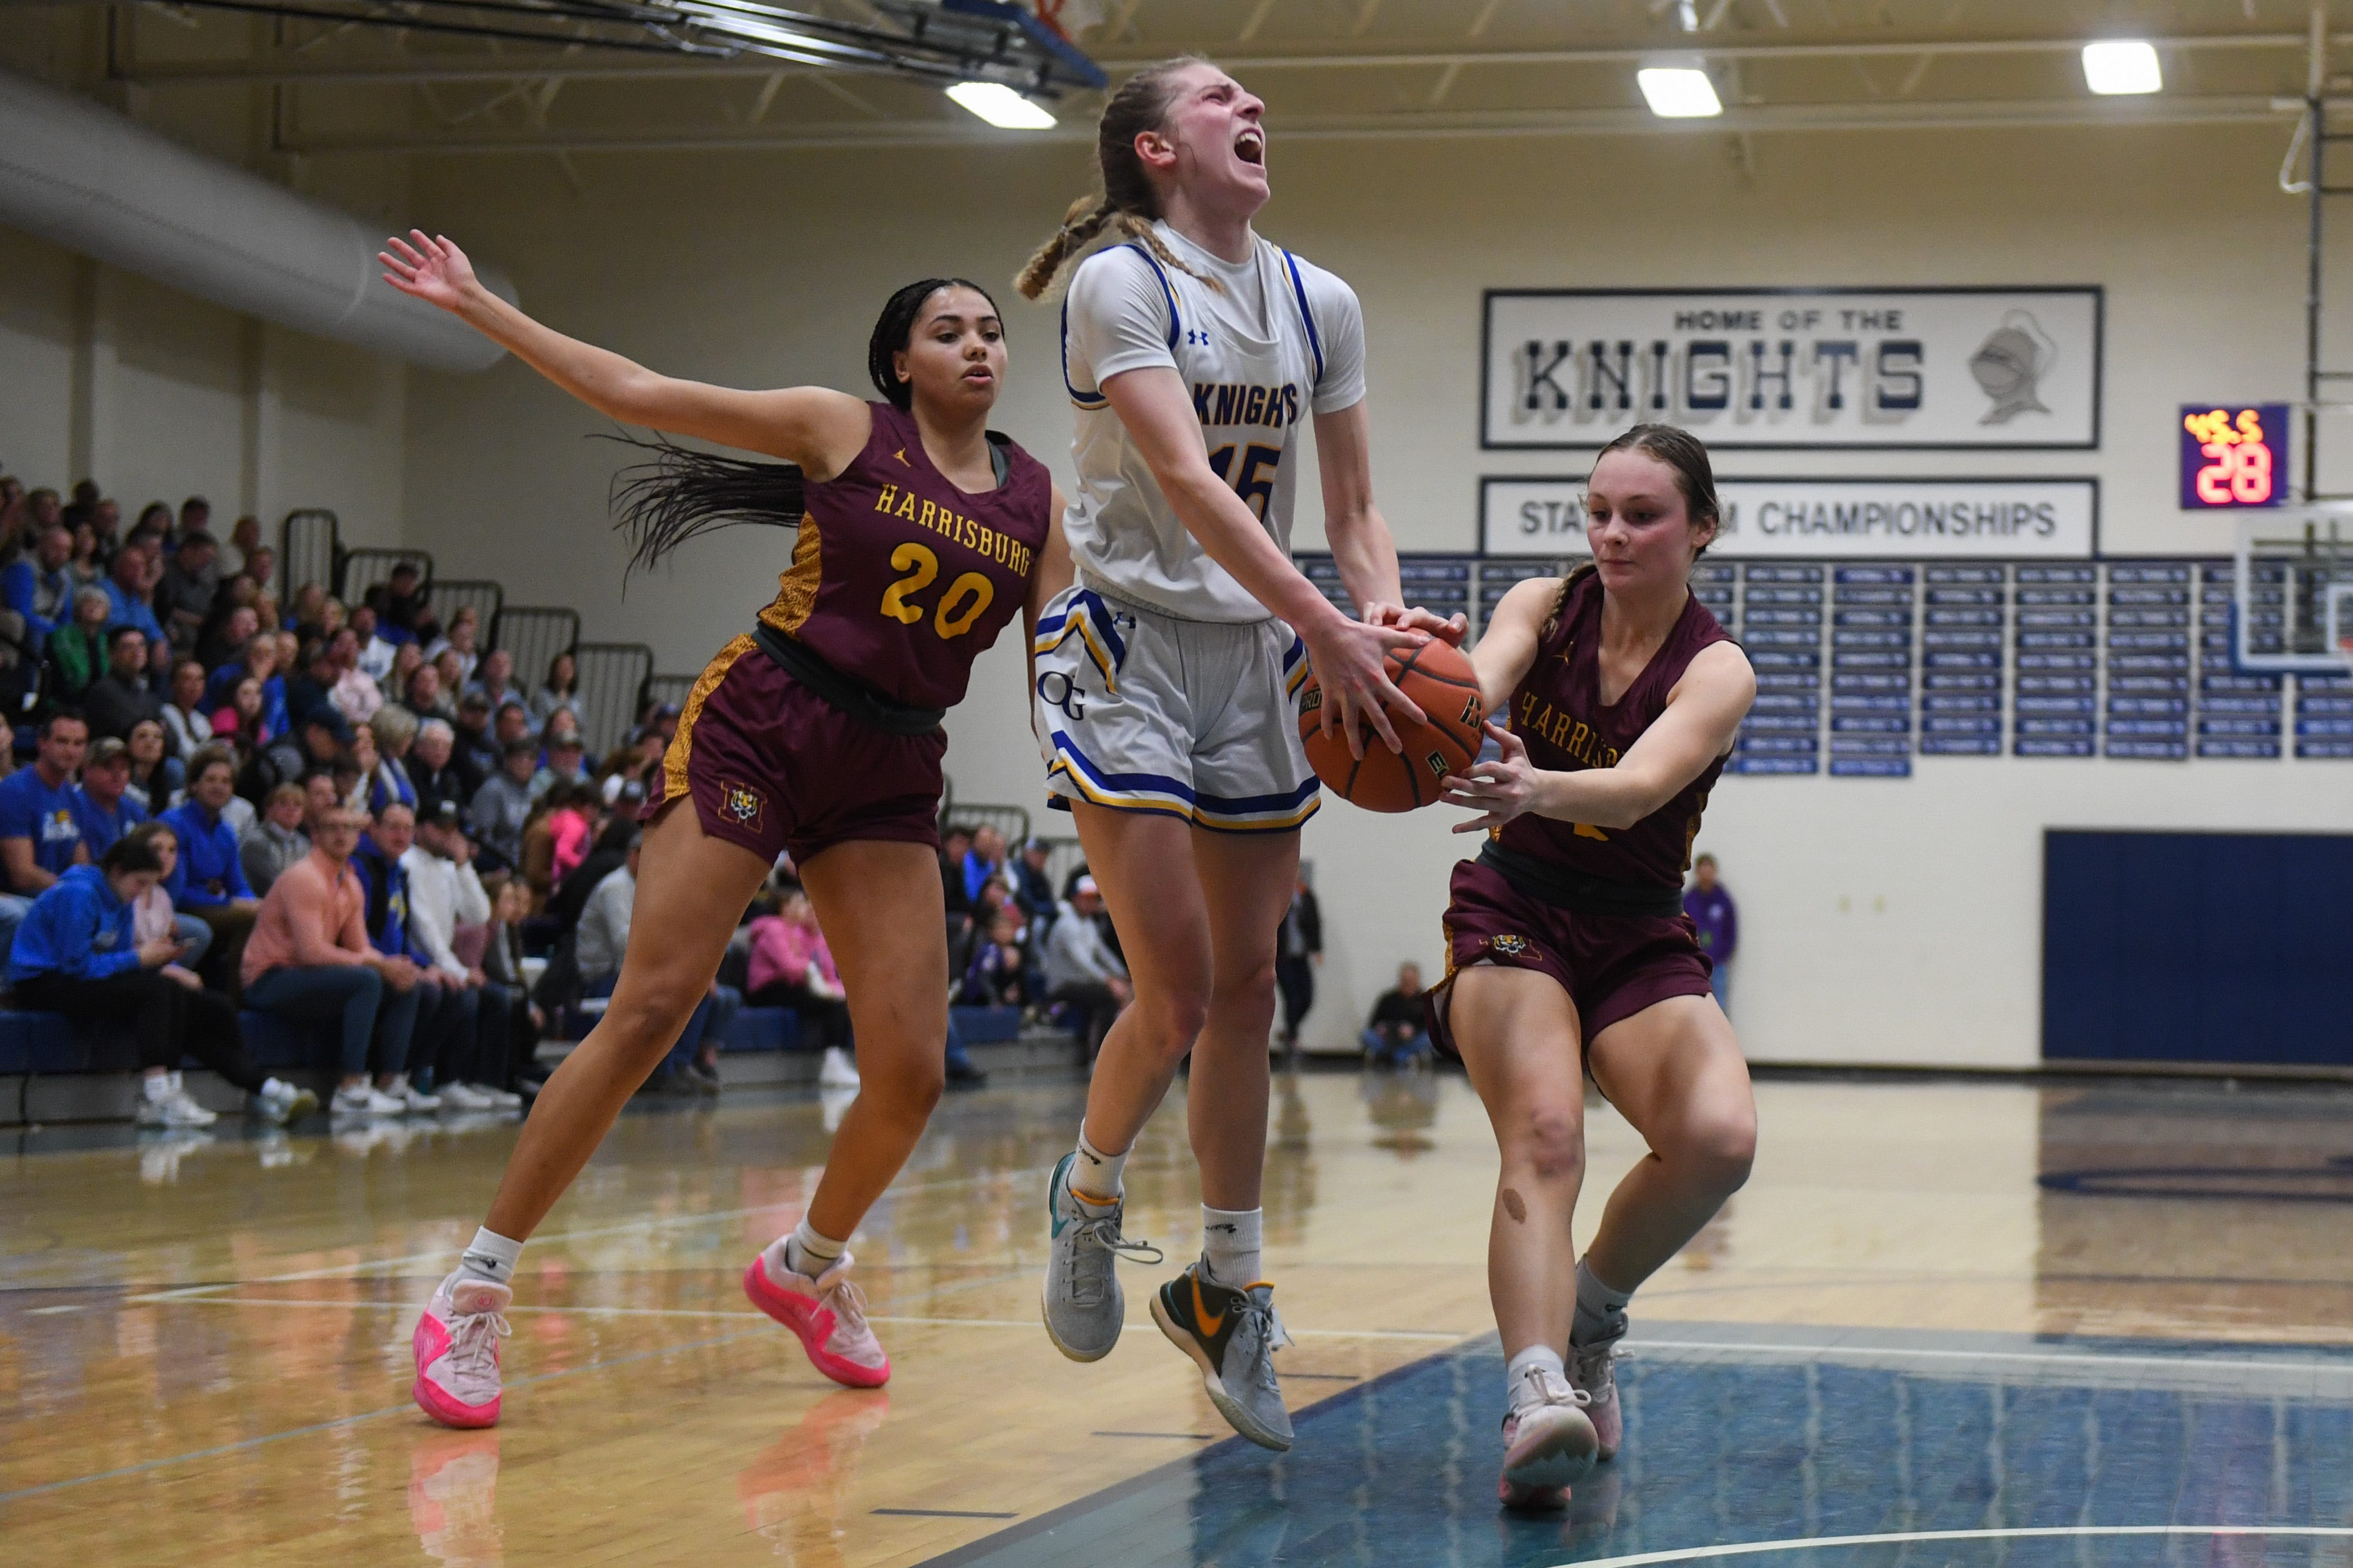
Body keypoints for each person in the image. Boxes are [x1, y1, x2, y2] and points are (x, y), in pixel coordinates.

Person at [380, 230, 1066, 1429]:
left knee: (906, 1074)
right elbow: (636, 390)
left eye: (989, 329)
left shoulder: (1031, 494)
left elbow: (1054, 665)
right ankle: (474, 1287)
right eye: (947, 330)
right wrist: (481, 307)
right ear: (899, 362)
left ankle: (803, 1267)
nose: (977, 345)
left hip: (893, 763)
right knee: (653, 1005)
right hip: (767, 716)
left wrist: (1101, 784)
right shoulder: (842, 429)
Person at [1017, 57, 1454, 1450]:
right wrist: (1325, 625)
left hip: (1262, 652)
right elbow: (1193, 486)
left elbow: (1358, 501)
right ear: (1157, 146)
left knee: (1254, 986)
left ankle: (1227, 1279)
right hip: (1129, 643)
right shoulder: (1122, 284)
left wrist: (1376, 617)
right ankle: (1087, 1191)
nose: (1250, 102)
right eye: (1218, 96)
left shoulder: (1319, 299)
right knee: (1183, 985)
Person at [1429, 424, 1758, 1509]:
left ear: (1700, 529)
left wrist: (1536, 787)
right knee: (1547, 1130)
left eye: (1642, 515)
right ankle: (1534, 1392)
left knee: (1717, 1140)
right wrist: (1436, 700)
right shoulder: (1543, 603)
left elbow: (1635, 788)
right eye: (1599, 512)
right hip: (1516, 903)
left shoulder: (1716, 669)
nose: (1612, 534)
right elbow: (1483, 679)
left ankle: (1589, 1319)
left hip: (1632, 924)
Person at [8, 834, 315, 1127]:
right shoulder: (79, 895)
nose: (141, 892)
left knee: (211, 1005)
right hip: (43, 983)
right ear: (117, 872)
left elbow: (118, 959)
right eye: (139, 883)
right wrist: (141, 960)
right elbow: (74, 965)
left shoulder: (121, 900)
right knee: (158, 992)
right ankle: (158, 1095)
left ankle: (263, 1089)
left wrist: (159, 963)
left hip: (83, 979)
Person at [243, 803, 427, 1115]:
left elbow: (359, 948)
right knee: (367, 980)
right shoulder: (305, 878)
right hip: (270, 979)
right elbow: (311, 952)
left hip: (308, 977)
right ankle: (351, 1088)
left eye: (349, 828)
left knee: (405, 983)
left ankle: (390, 1082)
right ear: (315, 835)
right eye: (332, 828)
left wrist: (393, 966)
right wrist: (378, 966)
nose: (342, 835)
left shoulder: (350, 882)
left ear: (359, 836)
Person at [572, 832, 737, 1093]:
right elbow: (624, 943)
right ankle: (659, 1071)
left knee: (700, 990)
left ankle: (680, 1065)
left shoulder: (656, 885)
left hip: (638, 970)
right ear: (634, 855)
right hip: (605, 974)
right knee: (672, 992)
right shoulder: (615, 888)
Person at [405, 799, 518, 1110]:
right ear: (421, 829)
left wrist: (464, 865)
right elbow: (423, 926)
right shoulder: (408, 864)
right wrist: (458, 970)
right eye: (440, 828)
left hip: (445, 961)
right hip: (420, 959)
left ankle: (484, 1080)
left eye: (453, 829)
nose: (448, 836)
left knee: (499, 999)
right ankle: (440, 1079)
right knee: (464, 997)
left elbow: (479, 914)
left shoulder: (448, 867)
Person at [158, 746, 261, 985]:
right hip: (177, 906)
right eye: (211, 780)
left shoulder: (226, 833)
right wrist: (225, 902)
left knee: (263, 911)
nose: (220, 787)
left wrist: (247, 902)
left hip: (211, 903)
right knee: (255, 914)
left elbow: (239, 885)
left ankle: (238, 993)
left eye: (226, 781)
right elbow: (177, 892)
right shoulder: (175, 823)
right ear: (194, 785)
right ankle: (239, 998)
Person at [746, 886, 856, 1088]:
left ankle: (837, 1059)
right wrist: (814, 976)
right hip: (767, 988)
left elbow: (825, 974)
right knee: (830, 1005)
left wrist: (836, 990)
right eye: (799, 903)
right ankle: (833, 1063)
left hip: (794, 985)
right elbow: (790, 968)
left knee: (838, 1002)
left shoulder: (801, 933)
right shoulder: (774, 928)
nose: (803, 908)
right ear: (784, 908)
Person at [0, 710, 90, 956]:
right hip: (16, 896)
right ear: (42, 743)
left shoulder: (74, 798)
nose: (70, 751)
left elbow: (81, 864)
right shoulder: (15, 791)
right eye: (62, 741)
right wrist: (72, 891)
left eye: (78, 743)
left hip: (51, 895)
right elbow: (21, 875)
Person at [1042, 876, 1130, 1062]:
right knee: (1107, 997)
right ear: (1075, 898)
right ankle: (1100, 1055)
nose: (1090, 903)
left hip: (1082, 982)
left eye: (1094, 899)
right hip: (1063, 984)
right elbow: (1083, 961)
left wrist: (1124, 974)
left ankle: (1088, 1051)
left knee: (1101, 994)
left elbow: (1102, 953)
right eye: (1086, 898)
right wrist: (1109, 981)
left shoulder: (1088, 924)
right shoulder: (1067, 925)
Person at [469, 738, 537, 872]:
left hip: (527, 863)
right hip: (497, 864)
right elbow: (482, 837)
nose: (524, 763)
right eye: (519, 758)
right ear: (508, 760)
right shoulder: (492, 789)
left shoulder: (537, 791)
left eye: (530, 759)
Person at [1683, 853, 1738, 1019]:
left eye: (1709, 869)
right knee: (1695, 1005)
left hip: (1718, 963)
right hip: (1695, 964)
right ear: (1697, 872)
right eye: (1702, 869)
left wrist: (1723, 953)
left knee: (1719, 1004)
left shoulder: (1724, 900)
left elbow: (1731, 931)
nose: (1706, 873)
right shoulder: (1688, 900)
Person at [3, 525, 75, 643]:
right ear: (41, 545)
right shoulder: (22, 568)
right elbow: (22, 613)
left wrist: (64, 634)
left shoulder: (65, 577)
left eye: (67, 550)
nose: (61, 554)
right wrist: (56, 632)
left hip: (51, 629)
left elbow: (66, 615)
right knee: (37, 636)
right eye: (56, 547)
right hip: (25, 631)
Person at [1275, 871, 1321, 1051]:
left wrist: (1317, 949)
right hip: (1283, 957)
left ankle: (1289, 1031)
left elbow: (1315, 923)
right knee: (1292, 998)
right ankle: (1292, 1036)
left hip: (1301, 956)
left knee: (1307, 998)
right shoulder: (1279, 895)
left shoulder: (1307, 896)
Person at [46, 585, 114, 703]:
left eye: (99, 603)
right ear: (78, 608)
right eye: (88, 602)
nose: (93, 607)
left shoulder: (106, 642)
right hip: (66, 699)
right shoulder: (61, 637)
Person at [242, 780, 311, 896]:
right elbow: (272, 886)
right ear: (269, 808)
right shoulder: (255, 843)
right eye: (284, 803)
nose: (291, 809)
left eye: (297, 804)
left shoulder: (305, 844)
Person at [1361, 961, 1431, 1066]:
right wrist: (1382, 1028)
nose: (1407, 985)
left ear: (1417, 981)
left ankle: (1394, 1056)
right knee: (1366, 1035)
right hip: (1388, 1039)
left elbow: (1430, 1026)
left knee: (1429, 1039)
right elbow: (1373, 1022)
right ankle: (1400, 1055)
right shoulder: (1387, 998)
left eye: (1411, 981)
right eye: (1405, 981)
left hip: (1412, 1040)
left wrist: (1413, 1030)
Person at [123, 717, 183, 813]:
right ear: (128, 744)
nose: (150, 741)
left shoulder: (166, 786)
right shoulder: (120, 784)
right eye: (142, 736)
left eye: (157, 737)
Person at [162, 658, 211, 760]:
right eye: (188, 678)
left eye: (200, 679)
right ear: (174, 684)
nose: (195, 684)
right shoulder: (167, 712)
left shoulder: (201, 720)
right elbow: (186, 753)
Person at [530, 651, 581, 730]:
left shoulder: (578, 698)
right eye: (562, 667)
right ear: (554, 670)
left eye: (569, 668)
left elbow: (582, 727)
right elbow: (538, 726)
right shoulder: (542, 697)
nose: (566, 672)